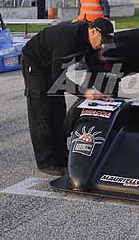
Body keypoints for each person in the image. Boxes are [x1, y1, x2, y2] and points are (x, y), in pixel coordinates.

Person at [21, 18, 114, 176]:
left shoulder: (91, 42)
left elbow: (95, 68)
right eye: (102, 40)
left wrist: (102, 93)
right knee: (43, 111)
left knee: (58, 112)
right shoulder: (68, 38)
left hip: (53, 67)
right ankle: (46, 162)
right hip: (36, 64)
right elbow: (58, 78)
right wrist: (85, 92)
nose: (103, 45)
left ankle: (61, 155)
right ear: (93, 31)